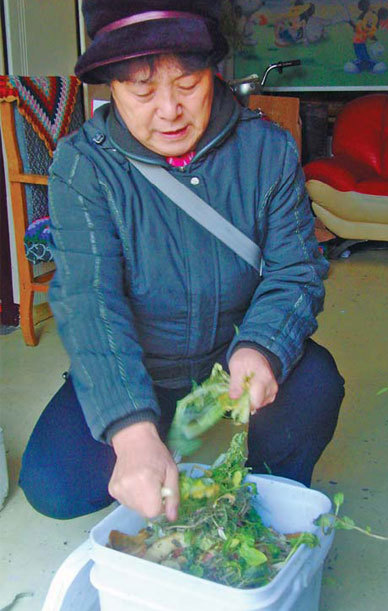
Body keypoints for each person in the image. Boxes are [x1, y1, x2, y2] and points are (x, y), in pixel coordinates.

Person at [20, 0, 344, 521]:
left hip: (228, 363)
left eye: (188, 83)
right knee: (53, 484)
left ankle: (262, 492)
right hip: (140, 369)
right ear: (111, 86)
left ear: (213, 71)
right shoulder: (84, 166)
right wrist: (129, 429)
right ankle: (156, 440)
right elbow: (90, 303)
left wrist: (260, 348)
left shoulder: (267, 149)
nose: (168, 110)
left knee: (315, 383)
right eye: (142, 90)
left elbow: (295, 270)